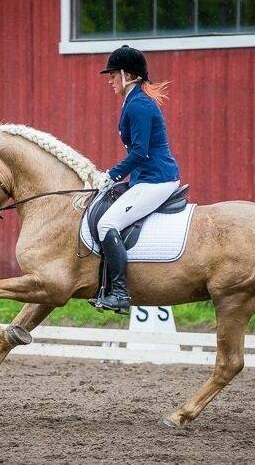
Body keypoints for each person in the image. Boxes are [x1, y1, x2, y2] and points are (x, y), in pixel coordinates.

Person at [91, 45, 181, 314]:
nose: (109, 80)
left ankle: (119, 293)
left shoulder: (139, 105)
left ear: (128, 76)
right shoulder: (133, 102)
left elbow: (140, 151)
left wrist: (112, 174)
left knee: (107, 224)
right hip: (145, 177)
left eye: (113, 75)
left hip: (157, 179)